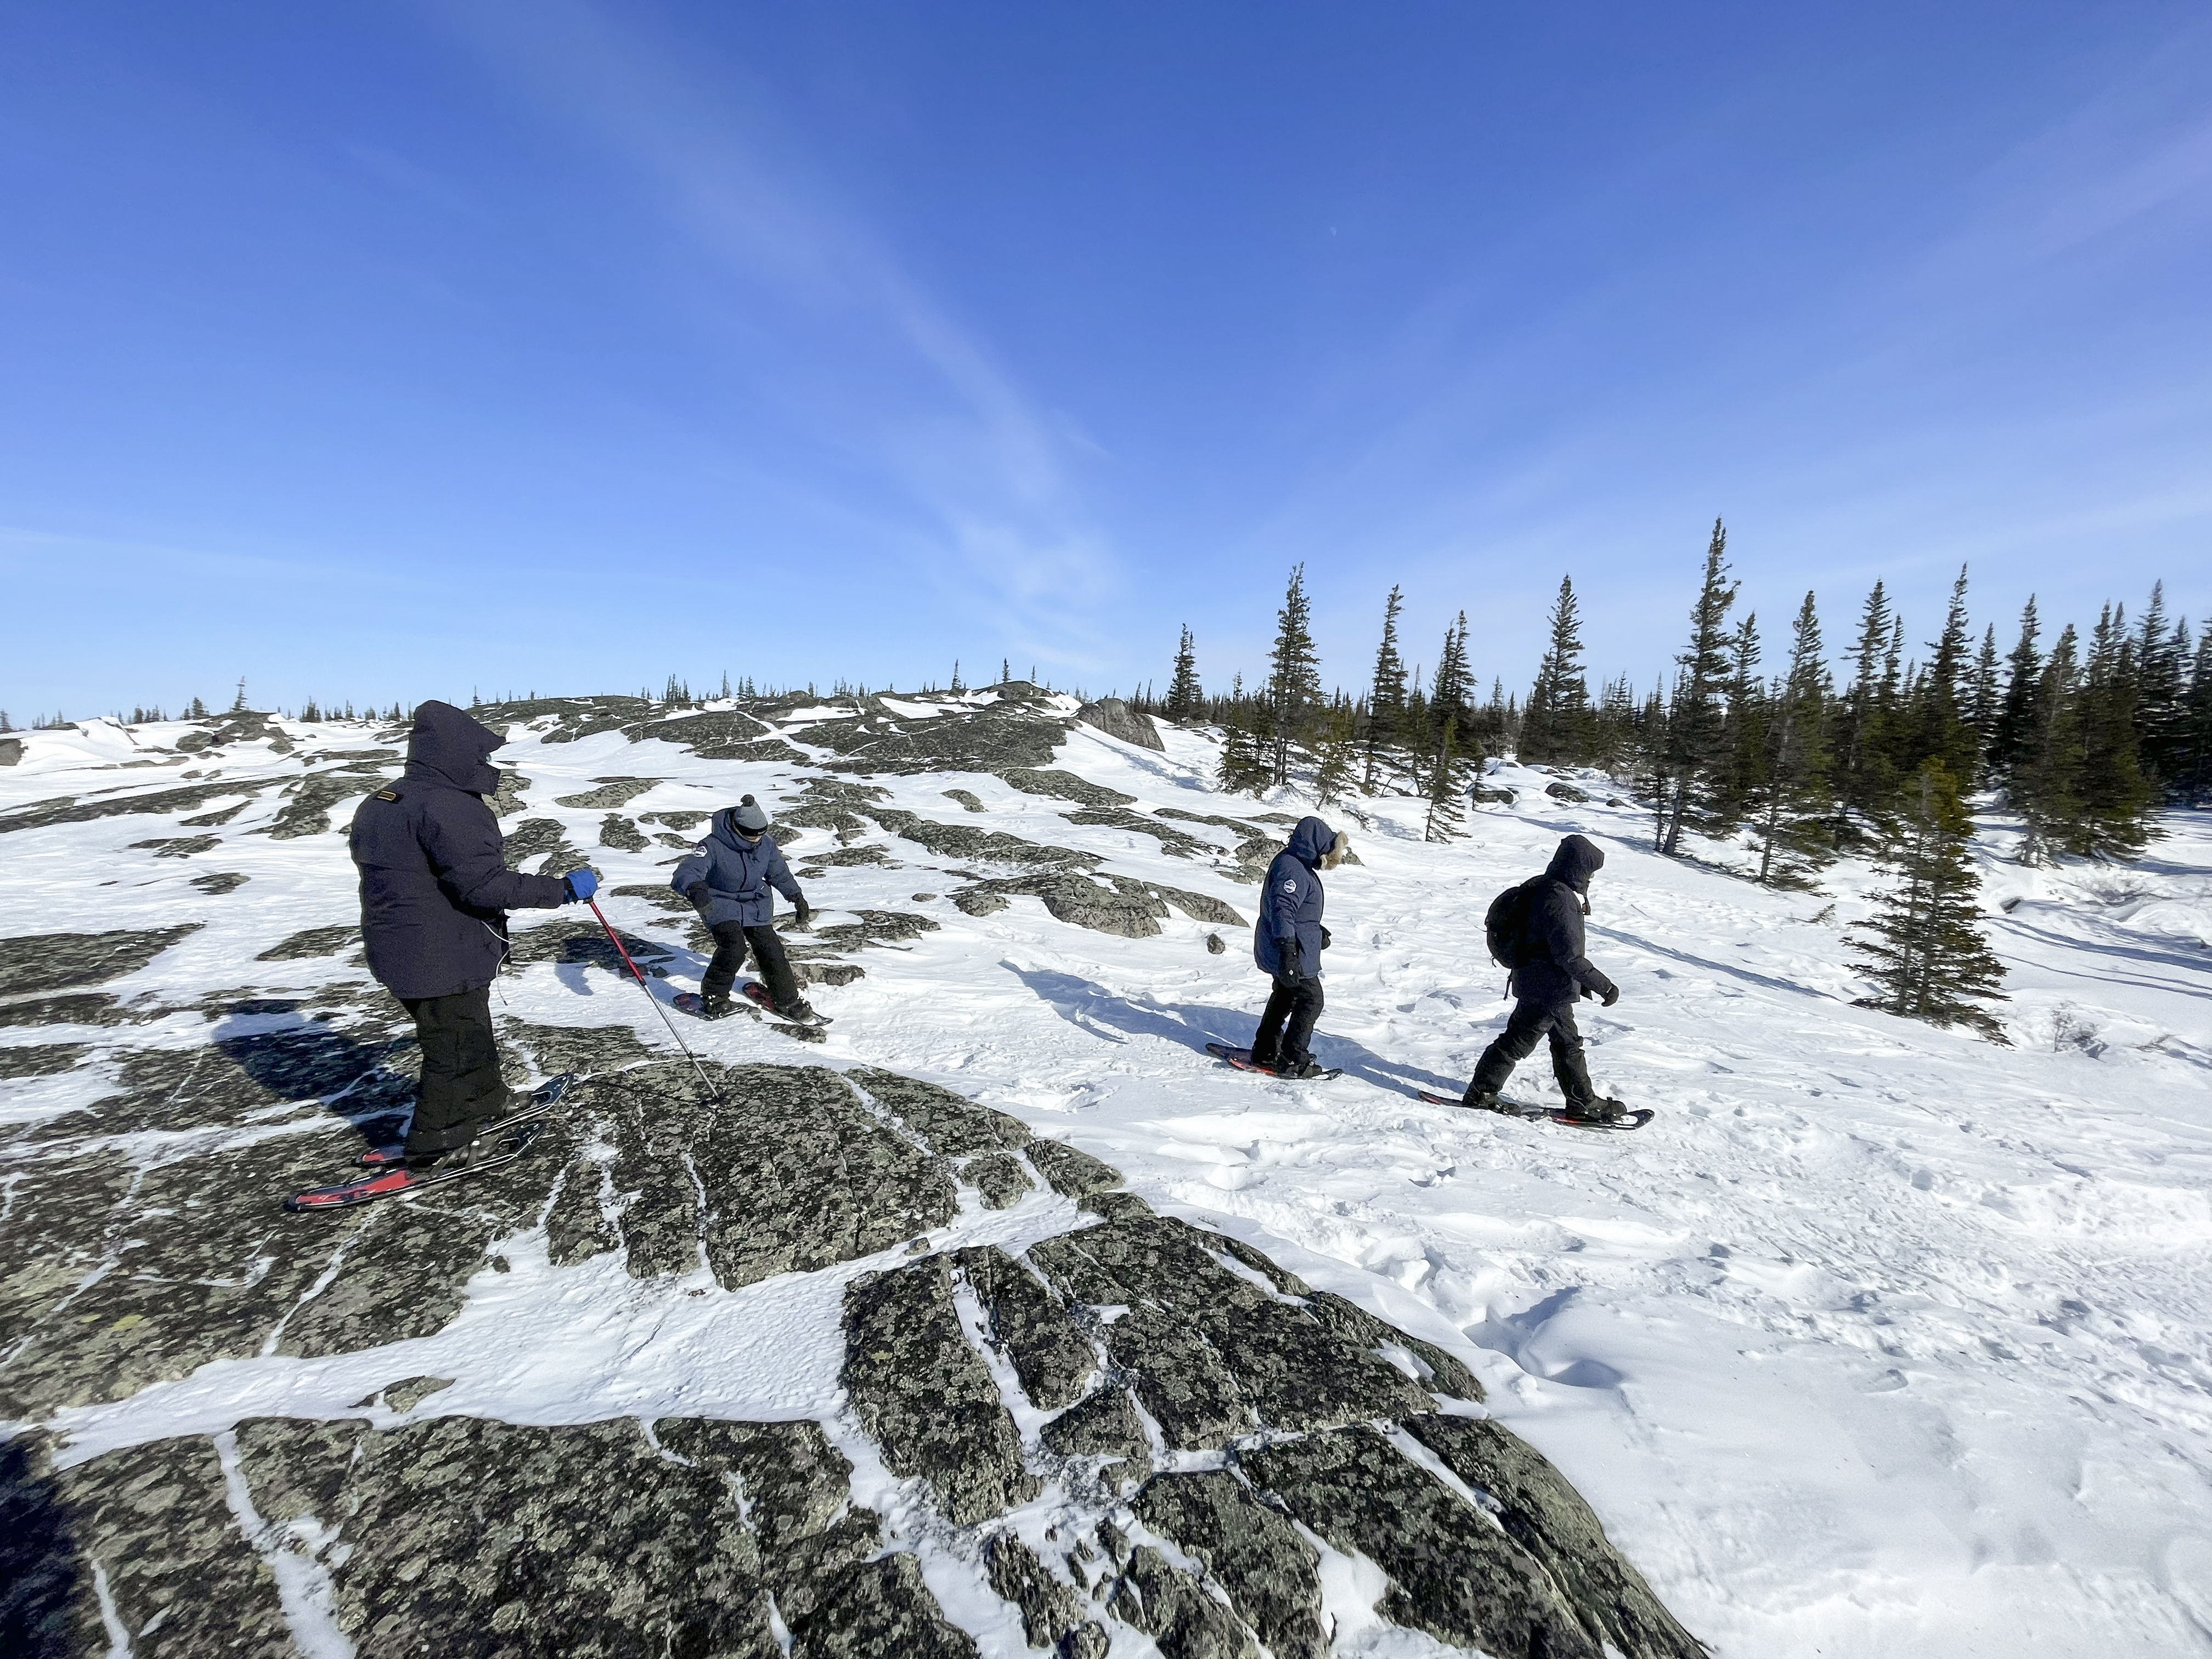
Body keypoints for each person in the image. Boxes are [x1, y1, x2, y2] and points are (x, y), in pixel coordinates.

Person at [351, 699, 596, 1168]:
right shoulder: (449, 806)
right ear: (455, 753)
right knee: (453, 1048)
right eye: (478, 755)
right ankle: (438, 1142)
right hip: (439, 953)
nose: (485, 764)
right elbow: (482, 885)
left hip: (403, 946)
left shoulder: (385, 800)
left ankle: (485, 1100)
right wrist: (562, 889)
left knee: (469, 1032)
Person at [1462, 833, 1625, 1122]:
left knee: (1567, 1043)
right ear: (1579, 868)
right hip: (1547, 985)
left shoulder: (1542, 887)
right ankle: (1482, 1092)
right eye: (1590, 871)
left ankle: (1582, 1102)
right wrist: (1604, 986)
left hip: (1543, 982)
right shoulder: (1558, 897)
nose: (1591, 878)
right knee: (1519, 1041)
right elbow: (1569, 956)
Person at [670, 794, 826, 1025]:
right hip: (719, 902)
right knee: (733, 948)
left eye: (760, 834)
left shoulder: (766, 845)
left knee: (771, 949)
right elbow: (687, 871)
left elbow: (779, 872)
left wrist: (796, 896)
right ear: (736, 827)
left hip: (755, 902)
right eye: (751, 834)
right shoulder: (712, 845)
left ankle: (788, 1001)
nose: (756, 839)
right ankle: (715, 998)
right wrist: (695, 889)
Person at [1248, 815, 1351, 1077]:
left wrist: (1316, 931)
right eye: (1330, 849)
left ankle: (1266, 1050)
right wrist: (1287, 952)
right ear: (1316, 845)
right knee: (1311, 999)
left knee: (1285, 995)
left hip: (1294, 945)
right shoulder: (1292, 868)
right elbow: (1283, 910)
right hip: (1289, 948)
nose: (1332, 856)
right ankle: (1293, 1059)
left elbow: (1297, 910)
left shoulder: (1298, 864)